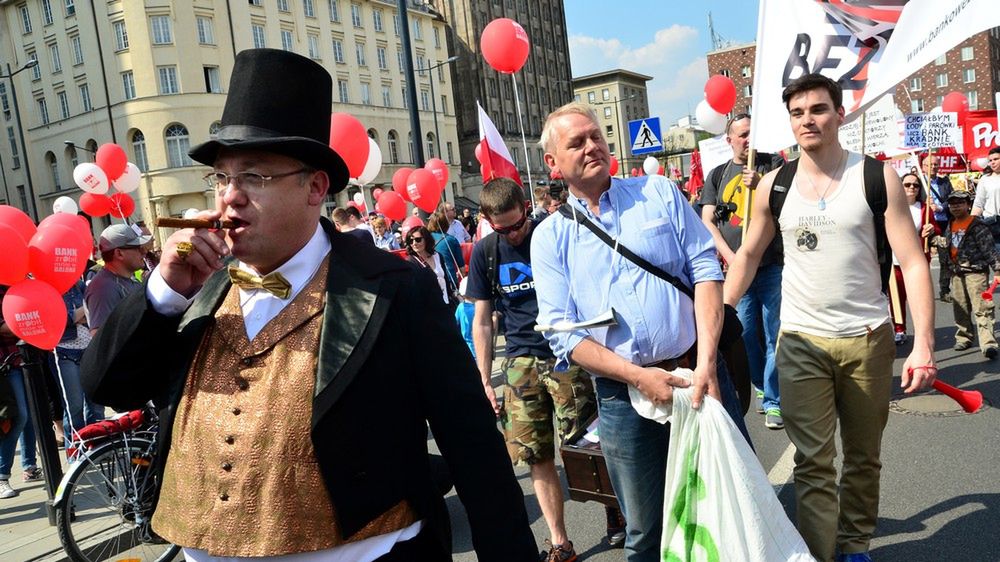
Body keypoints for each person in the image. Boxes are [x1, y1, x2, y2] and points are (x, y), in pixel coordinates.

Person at [80, 48, 535, 561]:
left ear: (315, 187)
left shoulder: (393, 288)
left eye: (254, 176)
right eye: (222, 178)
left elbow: (472, 445)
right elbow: (108, 387)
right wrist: (163, 294)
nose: (229, 196)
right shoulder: (196, 290)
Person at [723, 73, 936, 562]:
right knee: (813, 464)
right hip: (801, 341)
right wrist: (723, 317)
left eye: (818, 109)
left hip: (867, 339)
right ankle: (821, 555)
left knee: (863, 458)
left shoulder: (876, 177)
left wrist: (923, 343)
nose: (808, 120)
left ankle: (855, 545)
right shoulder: (774, 185)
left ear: (839, 114)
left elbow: (913, 262)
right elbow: (748, 255)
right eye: (797, 113)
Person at [531, 102, 748, 561]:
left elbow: (705, 270)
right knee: (646, 531)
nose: (592, 146)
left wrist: (708, 363)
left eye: (596, 136)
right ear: (553, 163)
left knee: (735, 501)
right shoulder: (549, 238)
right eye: (577, 142)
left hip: (698, 374)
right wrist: (637, 376)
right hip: (623, 399)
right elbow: (563, 334)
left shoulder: (659, 192)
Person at [467, 177, 605, 561]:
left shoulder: (552, 235)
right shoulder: (485, 252)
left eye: (517, 224)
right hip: (520, 360)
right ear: (488, 222)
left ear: (526, 208)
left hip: (567, 353)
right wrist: (484, 379)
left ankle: (615, 511)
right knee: (534, 454)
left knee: (588, 447)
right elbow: (482, 321)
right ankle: (561, 543)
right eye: (502, 229)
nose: (512, 234)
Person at [699, 113, 786, 429]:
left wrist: (762, 184)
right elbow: (708, 221)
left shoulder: (773, 163)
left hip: (771, 265)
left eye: (753, 133)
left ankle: (774, 400)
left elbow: (787, 201)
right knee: (745, 334)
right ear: (730, 140)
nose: (749, 139)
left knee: (775, 333)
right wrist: (730, 256)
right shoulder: (718, 175)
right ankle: (762, 385)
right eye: (743, 134)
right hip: (737, 272)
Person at [930, 190, 1000, 359]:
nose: (956, 207)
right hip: (956, 272)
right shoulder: (951, 224)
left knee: (982, 308)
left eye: (960, 203)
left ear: (968, 205)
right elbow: (947, 243)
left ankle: (988, 344)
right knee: (960, 307)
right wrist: (932, 237)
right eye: (952, 204)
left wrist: (997, 270)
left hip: (975, 272)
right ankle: (964, 337)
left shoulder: (977, 225)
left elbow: (989, 249)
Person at [51, 278, 104, 448]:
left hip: (89, 349)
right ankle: (76, 453)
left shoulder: (80, 286)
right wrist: (82, 312)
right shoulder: (50, 290)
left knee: (96, 403)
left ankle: (99, 448)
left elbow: (95, 313)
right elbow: (61, 319)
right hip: (64, 352)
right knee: (74, 407)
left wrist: (77, 315)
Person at [0, 287, 42, 499]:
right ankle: (2, 475)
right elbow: (4, 328)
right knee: (19, 416)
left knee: (32, 415)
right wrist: (33, 322)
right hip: (6, 365)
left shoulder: (15, 287)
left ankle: (29, 466)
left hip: (26, 359)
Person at [891, 173, 938, 345]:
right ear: (900, 186)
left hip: (917, 259)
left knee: (919, 297)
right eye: (907, 184)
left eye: (916, 185)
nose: (912, 187)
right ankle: (899, 329)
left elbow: (936, 229)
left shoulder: (924, 209)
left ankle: (922, 331)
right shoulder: (891, 206)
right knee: (897, 297)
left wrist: (931, 229)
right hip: (895, 260)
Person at [85, 224, 150, 334]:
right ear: (119, 253)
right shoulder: (104, 288)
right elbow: (100, 335)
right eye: (138, 248)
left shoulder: (128, 279)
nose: (144, 252)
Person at [923, 156, 954, 302]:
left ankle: (944, 290)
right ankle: (921, 291)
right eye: (930, 164)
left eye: (935, 164)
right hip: (925, 224)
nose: (933, 167)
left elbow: (952, 199)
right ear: (923, 166)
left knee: (945, 259)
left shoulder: (945, 182)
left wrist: (940, 207)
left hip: (943, 224)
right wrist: (925, 204)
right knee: (921, 259)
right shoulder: (917, 183)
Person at [405, 225, 450, 305]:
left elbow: (445, 279)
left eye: (418, 240)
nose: (414, 243)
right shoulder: (410, 262)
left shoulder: (437, 256)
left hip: (445, 302)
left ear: (426, 239)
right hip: (426, 306)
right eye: (411, 241)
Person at [427, 211, 465, 295]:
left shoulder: (425, 240)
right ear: (446, 224)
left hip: (430, 279)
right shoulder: (451, 240)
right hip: (449, 279)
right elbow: (461, 267)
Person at [972, 147, 1000, 254]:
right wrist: (970, 223)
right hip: (992, 224)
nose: (992, 162)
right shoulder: (985, 179)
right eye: (990, 160)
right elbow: (979, 204)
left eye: (996, 159)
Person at [454, 278, 475, 359]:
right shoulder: (478, 308)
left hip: (466, 345)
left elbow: (455, 322)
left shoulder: (460, 307)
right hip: (478, 344)